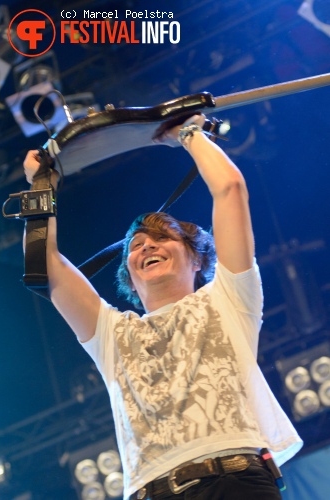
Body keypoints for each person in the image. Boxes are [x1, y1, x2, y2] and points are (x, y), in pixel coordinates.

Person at [23, 115, 302, 500]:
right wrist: (41, 186)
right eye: (136, 245)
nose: (147, 246)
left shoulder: (229, 298)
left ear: (197, 259)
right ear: (129, 276)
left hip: (236, 483)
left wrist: (187, 134)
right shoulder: (112, 333)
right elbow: (46, 266)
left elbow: (231, 189)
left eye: (161, 237)